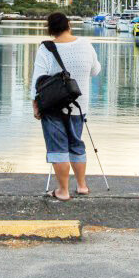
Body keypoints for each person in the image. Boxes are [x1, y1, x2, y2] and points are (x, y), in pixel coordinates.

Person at [31, 12, 101, 201]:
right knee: (76, 143)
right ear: (68, 25)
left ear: (50, 29)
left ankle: (62, 191)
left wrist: (35, 105)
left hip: (53, 106)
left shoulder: (46, 49)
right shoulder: (86, 45)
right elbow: (95, 71)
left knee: (58, 147)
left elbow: (37, 80)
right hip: (79, 105)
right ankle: (82, 186)